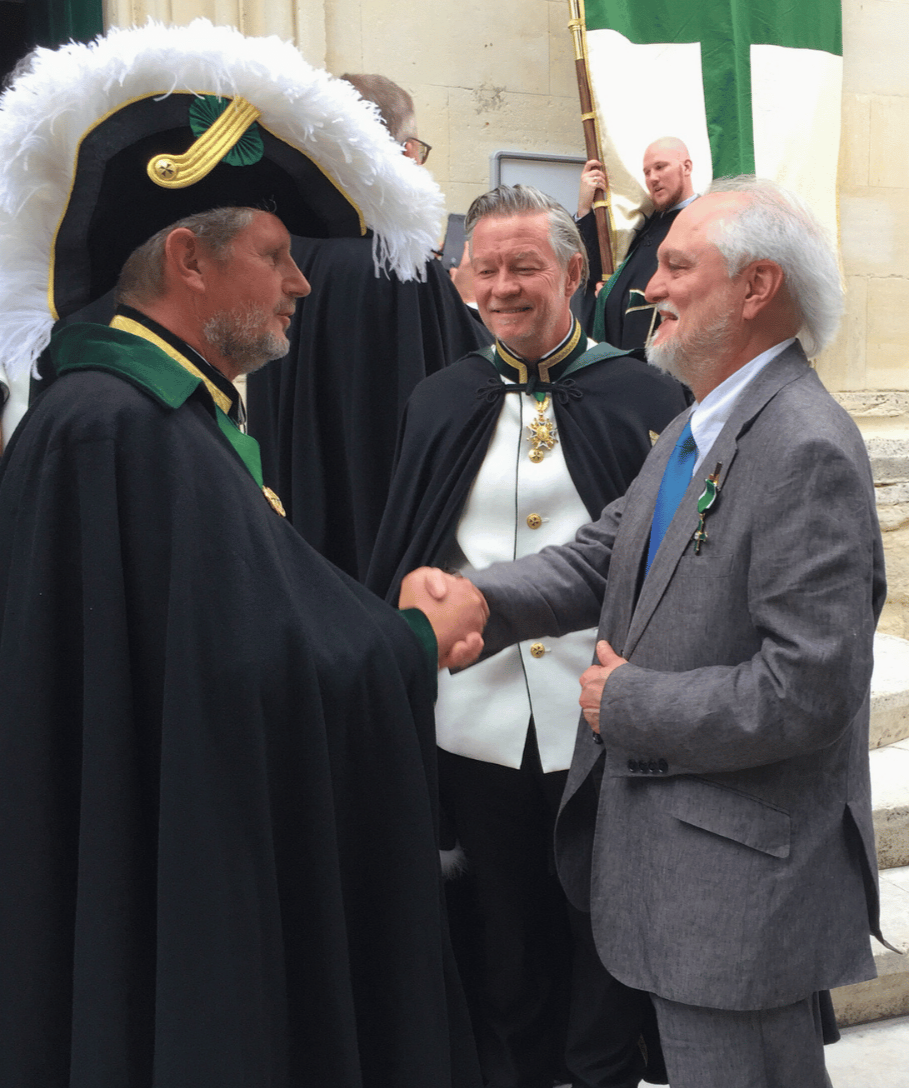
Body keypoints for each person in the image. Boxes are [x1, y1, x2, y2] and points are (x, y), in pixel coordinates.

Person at [0, 24, 488, 1087]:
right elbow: (247, 670)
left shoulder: (150, 412)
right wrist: (411, 638)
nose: (300, 285)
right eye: (273, 255)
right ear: (187, 257)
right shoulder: (116, 427)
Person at [407, 176, 890, 1088]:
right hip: (684, 875)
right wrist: (479, 601)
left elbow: (809, 688)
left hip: (739, 891)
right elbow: (602, 556)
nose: (648, 287)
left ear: (754, 288)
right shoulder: (694, 427)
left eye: (675, 265)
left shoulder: (804, 447)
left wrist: (626, 701)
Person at [367, 184, 687, 1088]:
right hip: (473, 719)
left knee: (602, 922)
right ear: (462, 277)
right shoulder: (437, 399)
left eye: (525, 266)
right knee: (498, 931)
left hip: (599, 712)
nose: (502, 286)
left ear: (575, 273)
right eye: (486, 268)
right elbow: (406, 542)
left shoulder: (645, 396)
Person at [247, 72, 489, 583]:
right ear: (398, 151)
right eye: (415, 148)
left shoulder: (278, 253)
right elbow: (470, 380)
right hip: (388, 545)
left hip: (295, 534)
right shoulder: (399, 263)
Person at [577, 138, 697, 352]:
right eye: (647, 172)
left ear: (686, 167)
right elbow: (597, 271)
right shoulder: (649, 221)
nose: (653, 178)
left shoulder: (701, 221)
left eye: (660, 167)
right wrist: (585, 210)